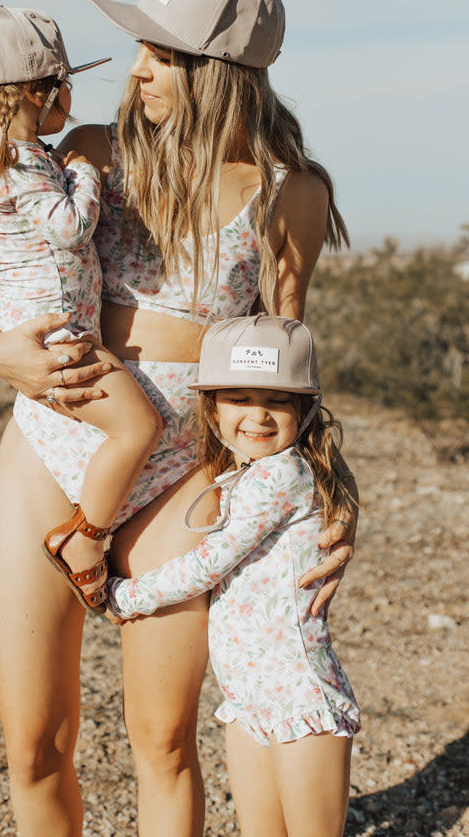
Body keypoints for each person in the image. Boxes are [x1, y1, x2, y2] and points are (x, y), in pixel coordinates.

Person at [0, 0, 358, 837]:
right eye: (140, 47)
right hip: (52, 446)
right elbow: (9, 273)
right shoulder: (92, 153)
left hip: (184, 471)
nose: (137, 69)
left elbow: (286, 364)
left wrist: (331, 498)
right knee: (35, 744)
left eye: (163, 54)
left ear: (221, 73)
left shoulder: (288, 193)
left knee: (164, 741)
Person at [0, 6, 162, 612]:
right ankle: (83, 538)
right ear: (35, 91)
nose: (70, 98)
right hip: (60, 336)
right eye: (65, 84)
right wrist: (85, 169)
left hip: (43, 323)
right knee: (139, 427)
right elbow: (70, 227)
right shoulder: (20, 159)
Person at [107, 314, 360, 837]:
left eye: (278, 400)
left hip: (297, 694)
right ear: (212, 408)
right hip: (249, 694)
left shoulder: (281, 476)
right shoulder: (244, 475)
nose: (258, 415)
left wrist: (124, 596)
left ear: (304, 410)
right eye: (238, 398)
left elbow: (208, 564)